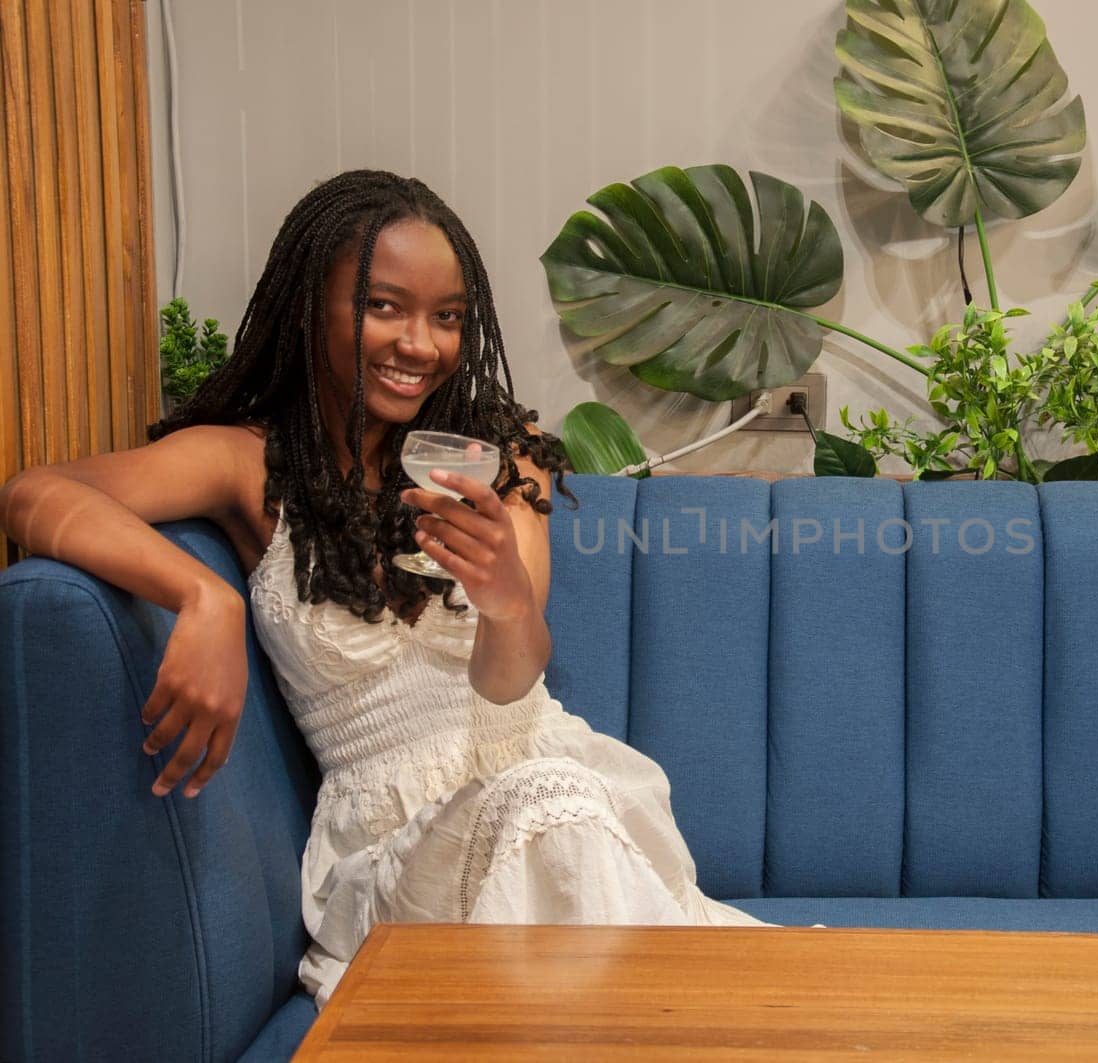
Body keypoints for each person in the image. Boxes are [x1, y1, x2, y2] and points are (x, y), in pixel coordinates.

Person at [0, 169, 774, 1009]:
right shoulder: (249, 464)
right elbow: (34, 494)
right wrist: (202, 595)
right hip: (396, 844)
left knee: (552, 795)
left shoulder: (501, 455)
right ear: (312, 306)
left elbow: (509, 690)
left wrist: (507, 598)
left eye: (447, 317)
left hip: (545, 782)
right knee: (559, 818)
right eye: (384, 306)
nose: (421, 344)